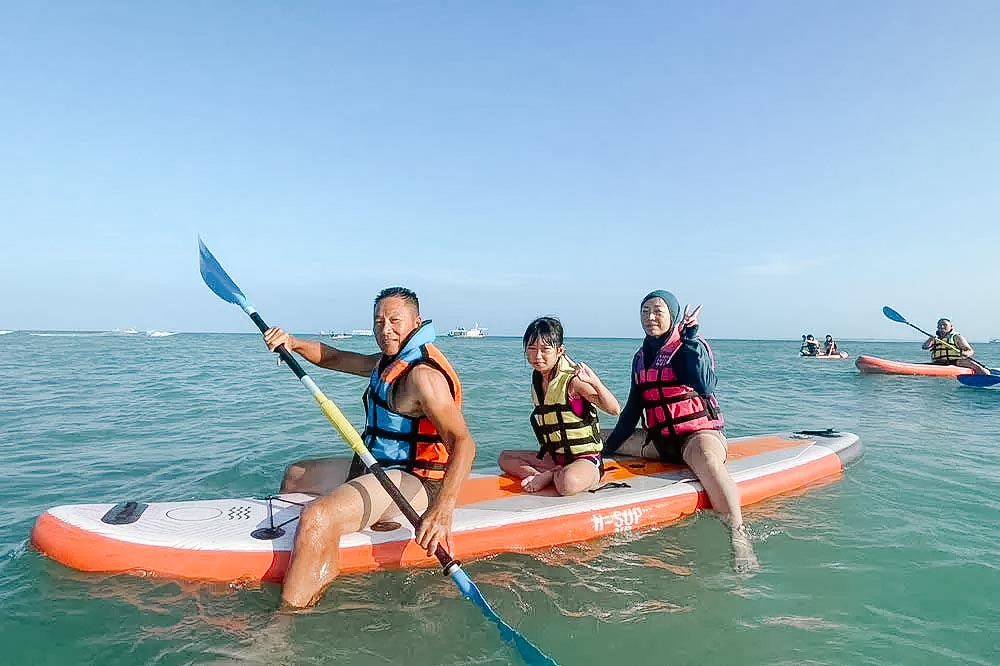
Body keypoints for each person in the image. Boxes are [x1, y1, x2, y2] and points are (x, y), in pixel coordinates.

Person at [261, 287, 476, 609]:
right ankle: (308, 554)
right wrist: (292, 343)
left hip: (414, 481)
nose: (385, 330)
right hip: (376, 467)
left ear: (416, 322)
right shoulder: (388, 362)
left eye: (394, 321)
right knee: (295, 477)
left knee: (318, 516)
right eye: (378, 322)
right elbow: (334, 358)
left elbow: (464, 444)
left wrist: (442, 513)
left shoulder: (422, 376)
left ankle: (287, 619)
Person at [602, 290, 759, 572]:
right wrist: (603, 450)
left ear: (672, 316)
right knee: (595, 436)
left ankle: (738, 535)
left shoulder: (688, 348)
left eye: (658, 311)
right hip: (661, 443)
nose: (650, 317)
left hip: (698, 437)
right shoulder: (641, 358)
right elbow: (631, 413)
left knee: (707, 459)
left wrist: (690, 339)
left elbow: (705, 384)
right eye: (645, 311)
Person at [498, 317, 621, 495]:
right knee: (505, 458)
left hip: (584, 460)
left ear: (560, 350)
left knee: (567, 484)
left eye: (545, 349)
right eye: (531, 349)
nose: (537, 356)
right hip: (556, 458)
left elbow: (614, 409)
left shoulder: (573, 381)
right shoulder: (538, 379)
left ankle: (552, 476)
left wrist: (595, 382)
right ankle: (543, 475)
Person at [921, 318, 988, 374]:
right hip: (938, 362)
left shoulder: (956, 337)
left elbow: (970, 351)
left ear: (951, 326)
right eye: (940, 325)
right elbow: (924, 347)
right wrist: (930, 339)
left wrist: (965, 353)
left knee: (973, 364)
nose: (942, 327)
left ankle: (986, 375)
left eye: (944, 325)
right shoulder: (935, 338)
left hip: (955, 361)